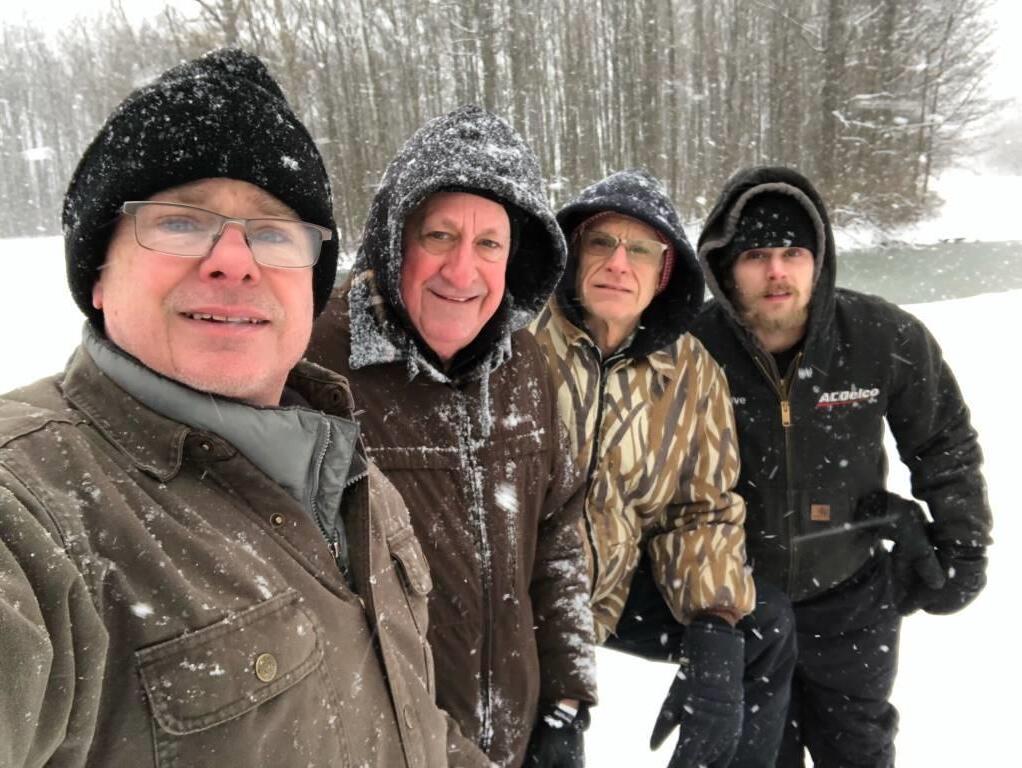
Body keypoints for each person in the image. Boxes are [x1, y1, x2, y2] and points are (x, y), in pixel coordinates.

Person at [0, 48, 479, 768]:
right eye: (182, 223)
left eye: (273, 231)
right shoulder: (35, 509)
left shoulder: (347, 477)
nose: (234, 260)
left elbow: (413, 727)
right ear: (98, 273)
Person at [305, 105, 598, 768]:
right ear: (394, 238)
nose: (463, 272)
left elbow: (557, 541)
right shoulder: (314, 365)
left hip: (515, 741)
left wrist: (567, 699)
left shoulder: (528, 366)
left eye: (489, 243)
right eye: (439, 236)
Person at [689, 165, 992, 767]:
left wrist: (963, 546)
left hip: (852, 599)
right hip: (742, 607)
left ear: (818, 258)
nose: (777, 271)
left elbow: (945, 442)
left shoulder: (879, 335)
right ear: (726, 265)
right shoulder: (691, 349)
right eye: (757, 255)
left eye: (793, 252)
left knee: (858, 751)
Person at [530, 169, 796, 768]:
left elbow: (698, 507)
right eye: (602, 243)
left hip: (621, 576)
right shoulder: (519, 342)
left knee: (763, 625)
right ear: (573, 256)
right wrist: (559, 691)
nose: (618, 263)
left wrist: (714, 632)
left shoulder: (692, 368)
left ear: (663, 272)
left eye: (641, 249)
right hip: (528, 595)